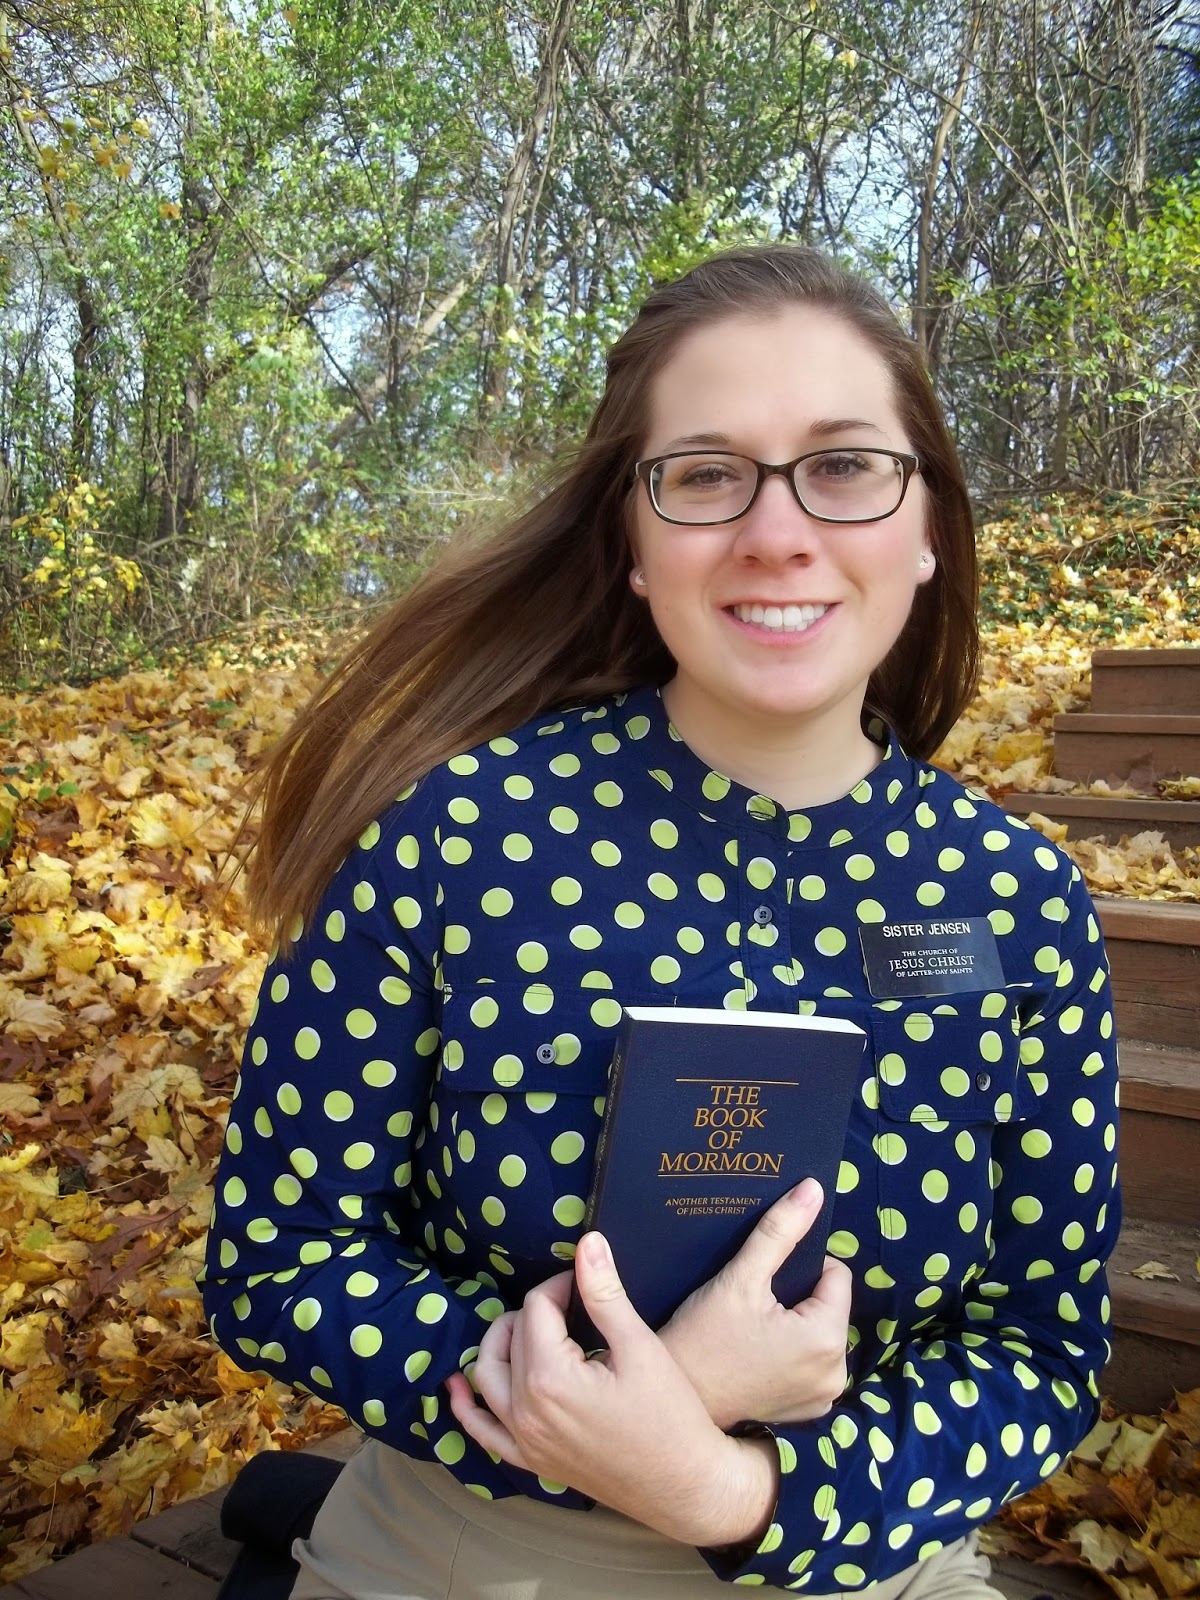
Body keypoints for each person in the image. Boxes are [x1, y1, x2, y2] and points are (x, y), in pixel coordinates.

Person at [202, 245, 1119, 1600]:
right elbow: (282, 1261)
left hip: (872, 1562)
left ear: (929, 525)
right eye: (704, 476)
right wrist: (613, 1405)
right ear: (633, 544)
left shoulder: (1018, 902)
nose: (777, 532)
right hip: (464, 1555)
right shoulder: (458, 838)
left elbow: (1040, 1345)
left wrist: (721, 1486)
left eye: (844, 466)